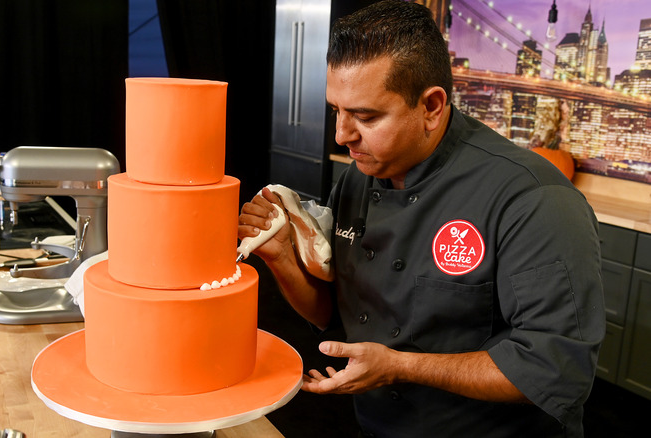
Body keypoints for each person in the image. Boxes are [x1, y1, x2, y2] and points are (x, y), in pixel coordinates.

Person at [238, 1, 604, 437]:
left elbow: (554, 368)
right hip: (379, 424)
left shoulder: (533, 199)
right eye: (337, 109)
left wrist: (399, 367)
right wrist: (281, 257)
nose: (341, 135)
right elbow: (334, 314)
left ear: (431, 106)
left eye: (366, 116)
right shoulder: (359, 177)